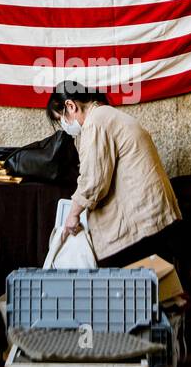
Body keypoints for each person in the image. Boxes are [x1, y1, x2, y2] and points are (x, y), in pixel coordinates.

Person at [47, 80, 182, 268]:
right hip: (153, 213)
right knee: (157, 287)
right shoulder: (107, 114)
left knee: (135, 288)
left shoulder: (95, 122)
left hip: (143, 218)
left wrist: (73, 215)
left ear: (71, 105)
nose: (65, 126)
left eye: (62, 119)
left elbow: (93, 181)